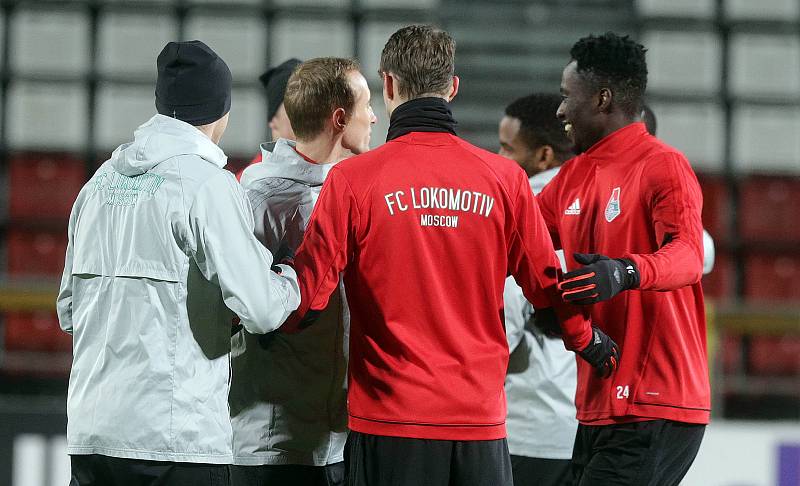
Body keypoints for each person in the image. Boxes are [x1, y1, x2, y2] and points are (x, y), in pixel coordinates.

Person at [281, 25, 617, 486]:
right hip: (479, 424)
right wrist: (589, 342)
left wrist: (261, 310)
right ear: (452, 88)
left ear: (389, 85)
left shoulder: (352, 181)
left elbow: (309, 296)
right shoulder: (505, 179)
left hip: (390, 421)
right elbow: (546, 285)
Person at [56, 40, 300, 485]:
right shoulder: (207, 185)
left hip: (92, 436)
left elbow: (69, 311)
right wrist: (290, 276)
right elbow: (262, 309)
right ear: (221, 110)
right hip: (176, 439)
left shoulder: (96, 186)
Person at [537, 32, 710, 485]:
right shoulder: (572, 176)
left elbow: (689, 255)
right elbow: (518, 242)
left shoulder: (663, 165)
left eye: (565, 97)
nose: (559, 111)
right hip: (598, 400)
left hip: (655, 398)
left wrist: (625, 271)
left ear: (602, 99)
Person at [230, 57, 376, 486]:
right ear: (338, 119)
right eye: (366, 104)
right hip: (274, 446)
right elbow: (242, 313)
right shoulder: (259, 198)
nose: (372, 116)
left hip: (342, 442)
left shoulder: (357, 190)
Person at [498, 93, 578, 486]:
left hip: (525, 424)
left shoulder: (525, 208)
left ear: (544, 156)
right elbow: (702, 248)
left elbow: (506, 313)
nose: (498, 157)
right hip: (583, 423)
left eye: (506, 148)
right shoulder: (601, 199)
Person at [235, 58, 302, 180]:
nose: (307, 113)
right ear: (273, 119)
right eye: (295, 106)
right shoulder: (246, 183)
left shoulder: (330, 173)